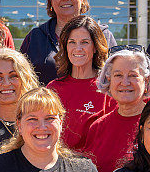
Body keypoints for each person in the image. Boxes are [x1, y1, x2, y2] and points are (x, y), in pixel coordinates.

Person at [21, 0, 116, 84]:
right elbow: (22, 80)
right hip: (47, 101)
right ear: (50, 1)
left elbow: (115, 74)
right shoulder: (35, 38)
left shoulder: (103, 35)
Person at [79, 45, 150, 172]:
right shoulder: (97, 127)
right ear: (109, 80)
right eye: (118, 75)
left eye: (133, 75)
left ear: (146, 81)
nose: (125, 82)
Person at [47, 15, 115, 149]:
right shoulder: (53, 88)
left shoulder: (108, 88)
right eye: (72, 42)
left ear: (95, 47)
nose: (78, 48)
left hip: (95, 167)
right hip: (58, 165)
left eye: (85, 42)